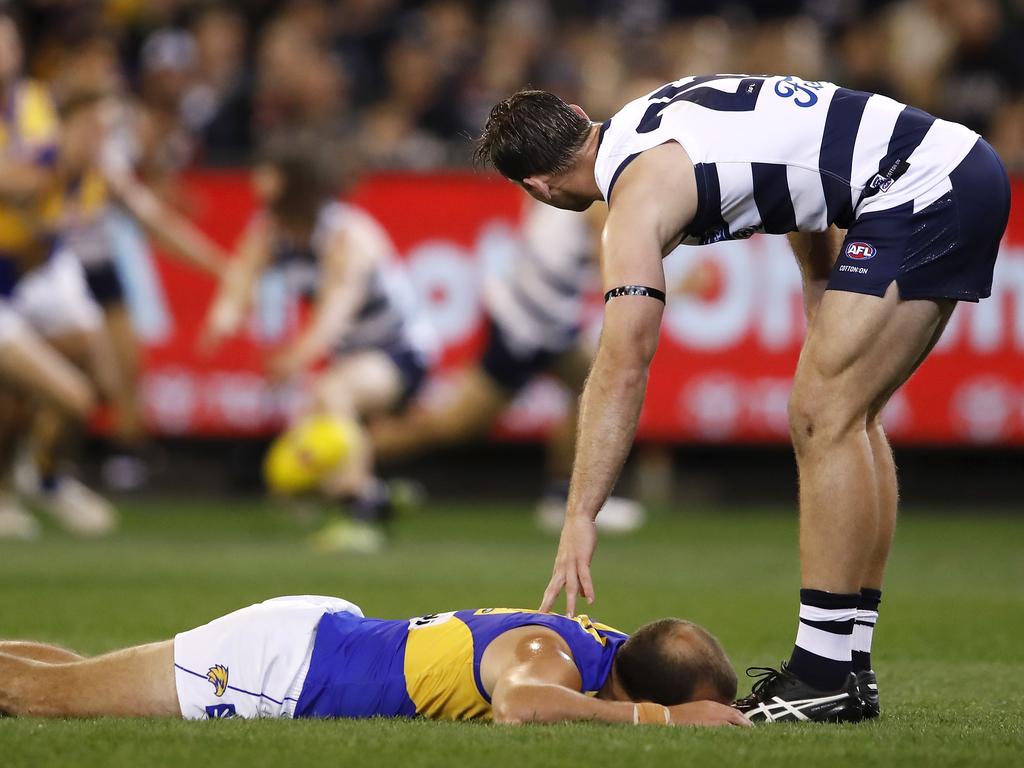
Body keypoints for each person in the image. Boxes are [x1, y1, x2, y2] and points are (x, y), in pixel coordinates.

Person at [474, 75, 1010, 723]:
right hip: (943, 166)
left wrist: (580, 512)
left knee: (822, 416)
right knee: (848, 415)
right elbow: (800, 168)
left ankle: (820, 675)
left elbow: (622, 364)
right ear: (581, 115)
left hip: (919, 187)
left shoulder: (632, 206)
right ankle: (847, 665)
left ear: (537, 188)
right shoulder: (653, 111)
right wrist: (821, 282)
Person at [0, 593, 747, 728]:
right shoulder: (548, 661)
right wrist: (670, 721)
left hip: (313, 643)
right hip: (282, 673)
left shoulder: (606, 649)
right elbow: (521, 707)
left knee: (76, 682)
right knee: (36, 697)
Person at [200, 136, 437, 553]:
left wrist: (295, 359)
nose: (258, 183)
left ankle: (360, 516)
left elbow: (334, 313)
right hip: (354, 353)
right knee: (296, 464)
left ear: (296, 184)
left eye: (269, 175)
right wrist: (223, 319)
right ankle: (379, 494)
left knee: (332, 394)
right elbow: (241, 275)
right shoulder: (272, 231)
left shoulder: (346, 235)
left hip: (400, 350)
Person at [372, 200, 645, 534]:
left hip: (548, 324)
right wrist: (679, 286)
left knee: (597, 390)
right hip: (527, 329)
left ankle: (564, 497)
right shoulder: (595, 199)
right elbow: (619, 270)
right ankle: (345, 462)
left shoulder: (565, 186)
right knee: (450, 426)